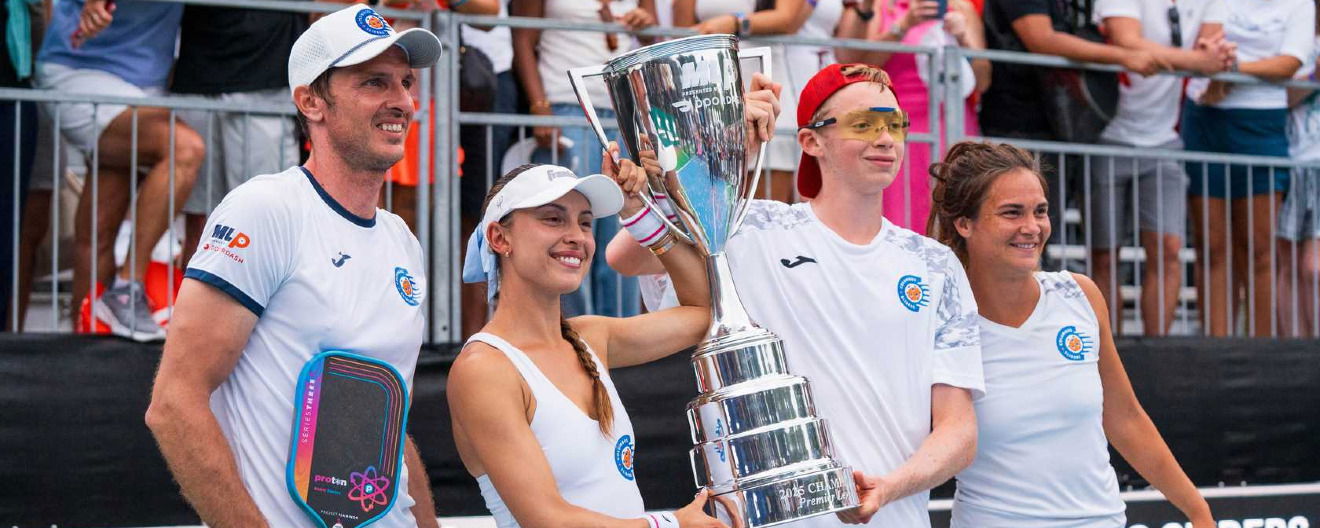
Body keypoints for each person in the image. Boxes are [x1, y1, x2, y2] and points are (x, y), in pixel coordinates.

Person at [608, 63, 984, 528]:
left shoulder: (935, 264)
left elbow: (959, 431)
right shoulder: (752, 226)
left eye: (895, 124)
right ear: (811, 141)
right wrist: (729, 155)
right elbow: (628, 256)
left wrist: (889, 488)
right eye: (863, 124)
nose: (886, 138)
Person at [144, 6, 443, 527]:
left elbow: (389, 431)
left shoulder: (402, 241)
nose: (401, 101)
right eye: (374, 82)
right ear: (311, 101)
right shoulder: (266, 210)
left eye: (406, 82)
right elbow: (174, 404)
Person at [450, 71, 782, 528]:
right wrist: (671, 526)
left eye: (585, 222)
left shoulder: (590, 337)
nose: (576, 238)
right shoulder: (483, 368)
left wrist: (637, 211)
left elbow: (707, 312)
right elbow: (547, 519)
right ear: (499, 238)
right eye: (553, 219)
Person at [926, 141, 1214, 528]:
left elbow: (1125, 418)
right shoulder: (940, 318)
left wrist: (1199, 512)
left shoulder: (1080, 295)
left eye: (1040, 211)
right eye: (1012, 213)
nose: (1032, 227)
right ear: (965, 224)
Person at [36, 0, 203, 340]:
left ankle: (86, 355)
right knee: (184, 149)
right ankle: (127, 289)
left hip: (145, 86)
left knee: (99, 227)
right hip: (80, 72)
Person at [1090, 0, 1232, 336]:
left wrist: (1202, 61)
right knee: (1105, 255)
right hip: (1107, 133)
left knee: (1169, 251)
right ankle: (1110, 355)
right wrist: (1197, 62)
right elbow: (1127, 41)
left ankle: (1158, 351)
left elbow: (1212, 56)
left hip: (1166, 139)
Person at [512, 0, 658, 319]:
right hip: (566, 107)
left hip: (623, 112)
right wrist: (539, 107)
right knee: (570, 228)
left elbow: (653, 43)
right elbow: (523, 39)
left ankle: (622, 334)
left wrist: (647, 27)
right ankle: (574, 334)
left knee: (620, 228)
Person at [1182, 0, 1315, 337]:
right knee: (1210, 246)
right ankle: (1217, 347)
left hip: (1262, 125)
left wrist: (1232, 70)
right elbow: (1206, 45)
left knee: (1259, 249)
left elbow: (1289, 63)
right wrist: (1223, 68)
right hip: (1205, 119)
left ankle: (1260, 352)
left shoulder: (1298, 4)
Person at [837, 0, 990, 233]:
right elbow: (852, 64)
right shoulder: (879, 7)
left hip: (952, 125)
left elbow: (983, 81)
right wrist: (903, 26)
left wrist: (963, 41)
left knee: (953, 207)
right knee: (899, 211)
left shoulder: (961, 8)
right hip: (898, 128)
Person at [173, 1, 307, 264]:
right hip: (200, 74)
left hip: (263, 77)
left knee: (266, 220)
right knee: (201, 224)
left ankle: (264, 305)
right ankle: (196, 304)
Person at [1277, 11, 1320, 337]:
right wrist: (1314, 78)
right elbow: (1280, 98)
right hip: (1292, 162)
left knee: (1313, 268)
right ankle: (1294, 350)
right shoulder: (1298, 47)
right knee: (1288, 263)